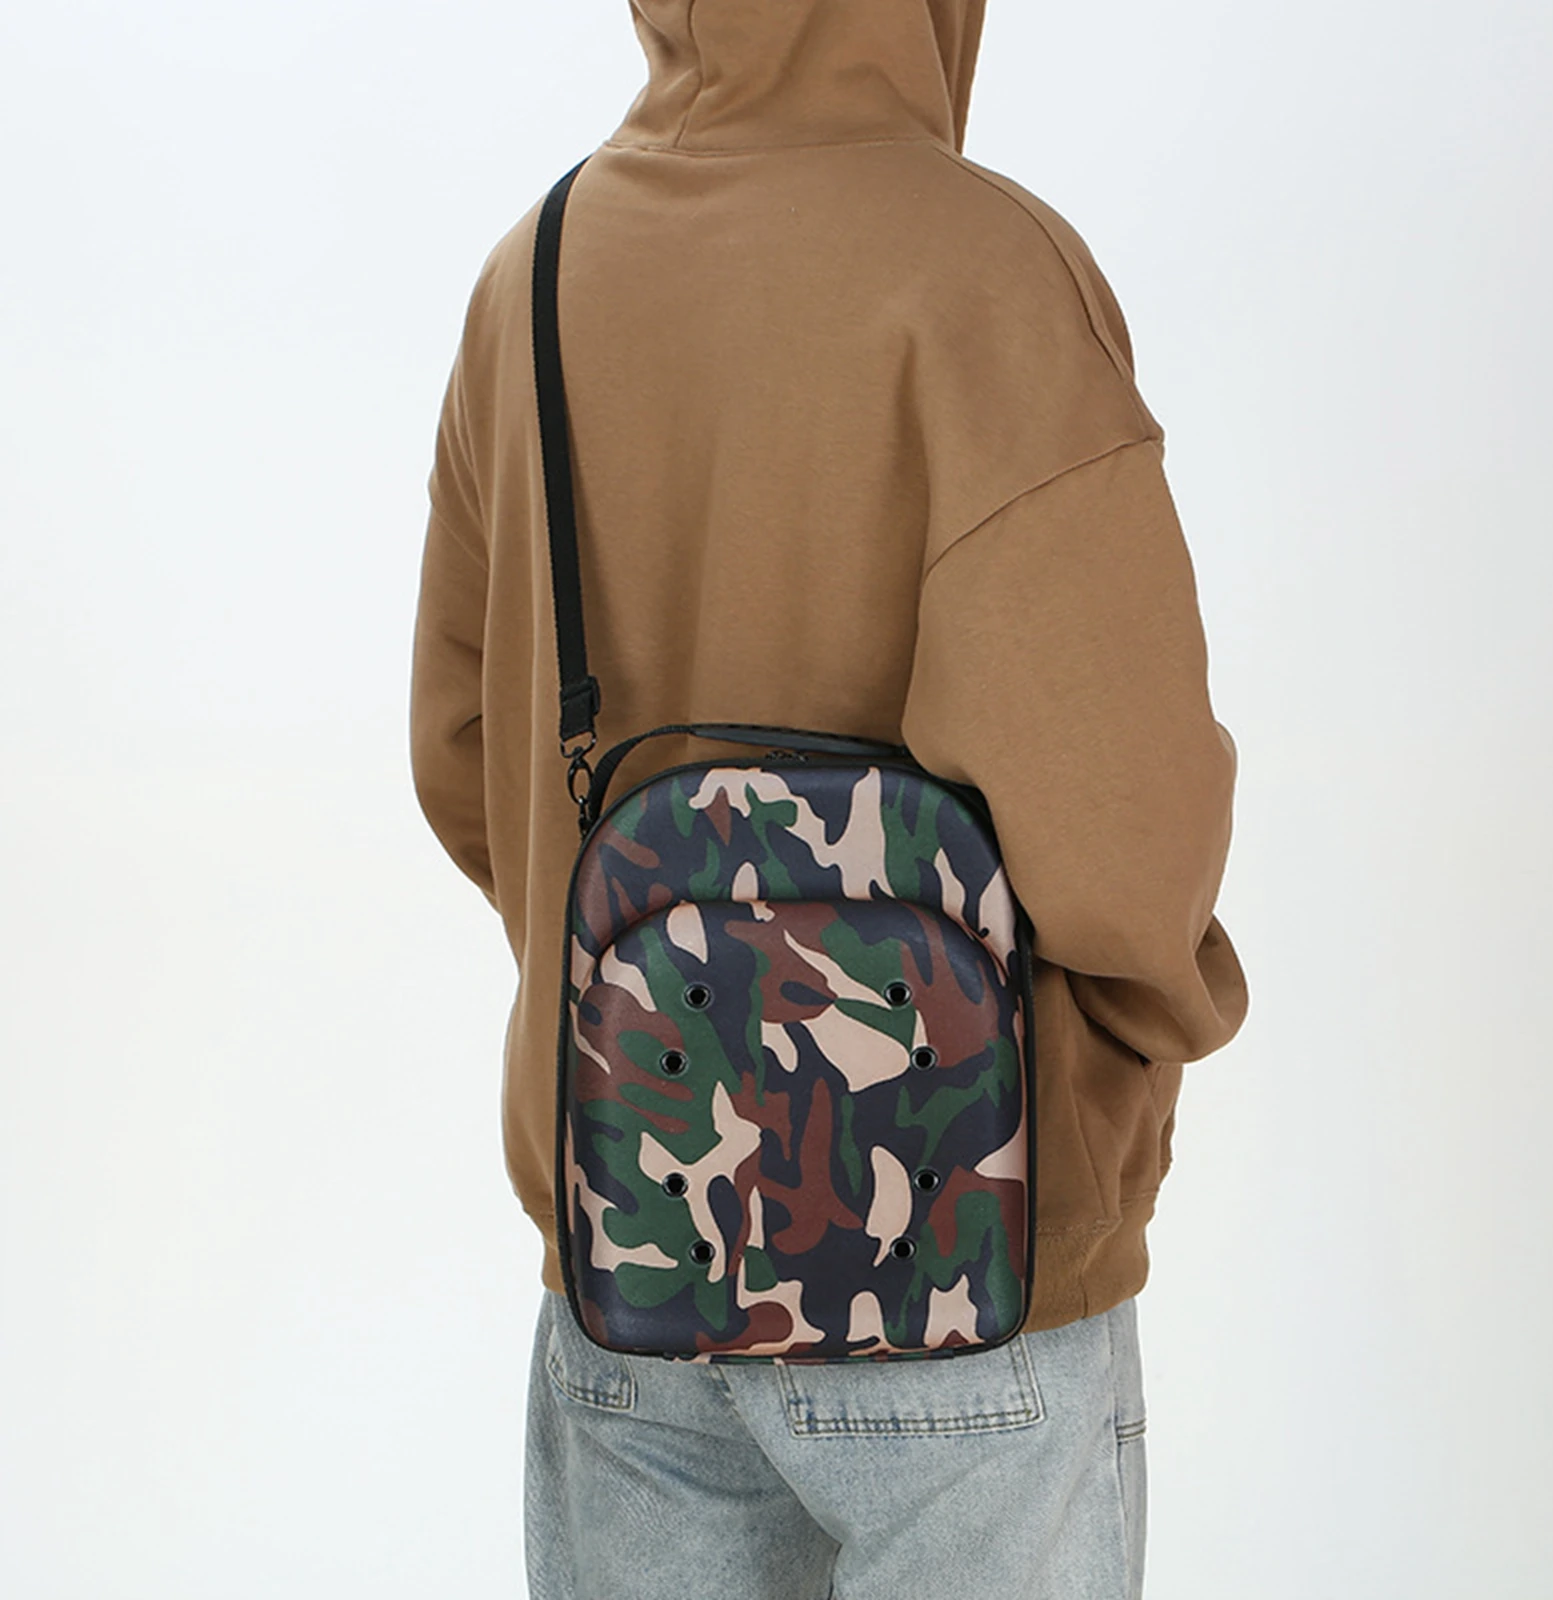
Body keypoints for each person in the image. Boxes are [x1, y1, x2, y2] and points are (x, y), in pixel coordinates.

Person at [409, 2, 1248, 1595]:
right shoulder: (990, 272)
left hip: (632, 1227)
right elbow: (1124, 838)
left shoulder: (534, 275)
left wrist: (657, 982)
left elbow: (465, 755)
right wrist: (1126, 1071)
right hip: (974, 1257)